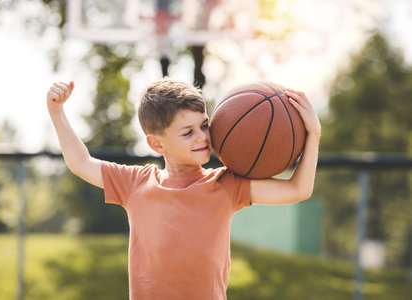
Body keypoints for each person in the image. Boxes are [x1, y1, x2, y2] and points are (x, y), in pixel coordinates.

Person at [46, 77, 321, 300]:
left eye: (204, 126)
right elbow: (81, 162)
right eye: (188, 132)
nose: (202, 137)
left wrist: (313, 134)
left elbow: (298, 189)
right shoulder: (135, 183)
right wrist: (57, 113)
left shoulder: (226, 185)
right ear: (156, 144)